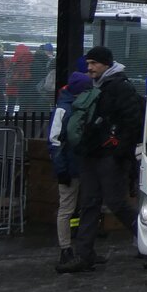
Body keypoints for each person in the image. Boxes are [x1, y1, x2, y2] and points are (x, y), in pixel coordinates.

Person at [56, 46, 144, 274]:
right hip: (94, 153)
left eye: (94, 63)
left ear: (106, 63)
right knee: (90, 203)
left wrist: (118, 149)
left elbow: (132, 121)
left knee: (115, 202)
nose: (90, 68)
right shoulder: (100, 85)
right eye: (88, 64)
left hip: (108, 155)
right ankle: (84, 255)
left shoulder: (119, 87)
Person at [48, 69, 92, 266]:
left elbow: (55, 142)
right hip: (74, 166)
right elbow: (55, 142)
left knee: (68, 208)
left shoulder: (65, 107)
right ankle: (66, 248)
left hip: (74, 166)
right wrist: (62, 170)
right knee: (68, 209)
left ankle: (69, 248)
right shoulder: (68, 108)